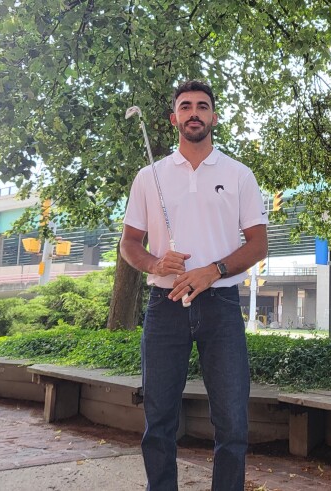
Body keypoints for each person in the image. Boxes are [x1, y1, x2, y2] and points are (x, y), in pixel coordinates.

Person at [120, 80, 268, 491]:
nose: (194, 112)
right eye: (186, 106)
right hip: (164, 304)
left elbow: (258, 243)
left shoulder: (239, 174)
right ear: (174, 119)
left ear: (214, 117)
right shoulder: (149, 176)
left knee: (233, 421)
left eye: (203, 106)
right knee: (159, 418)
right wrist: (154, 261)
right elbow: (129, 243)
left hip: (220, 305)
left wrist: (213, 270)